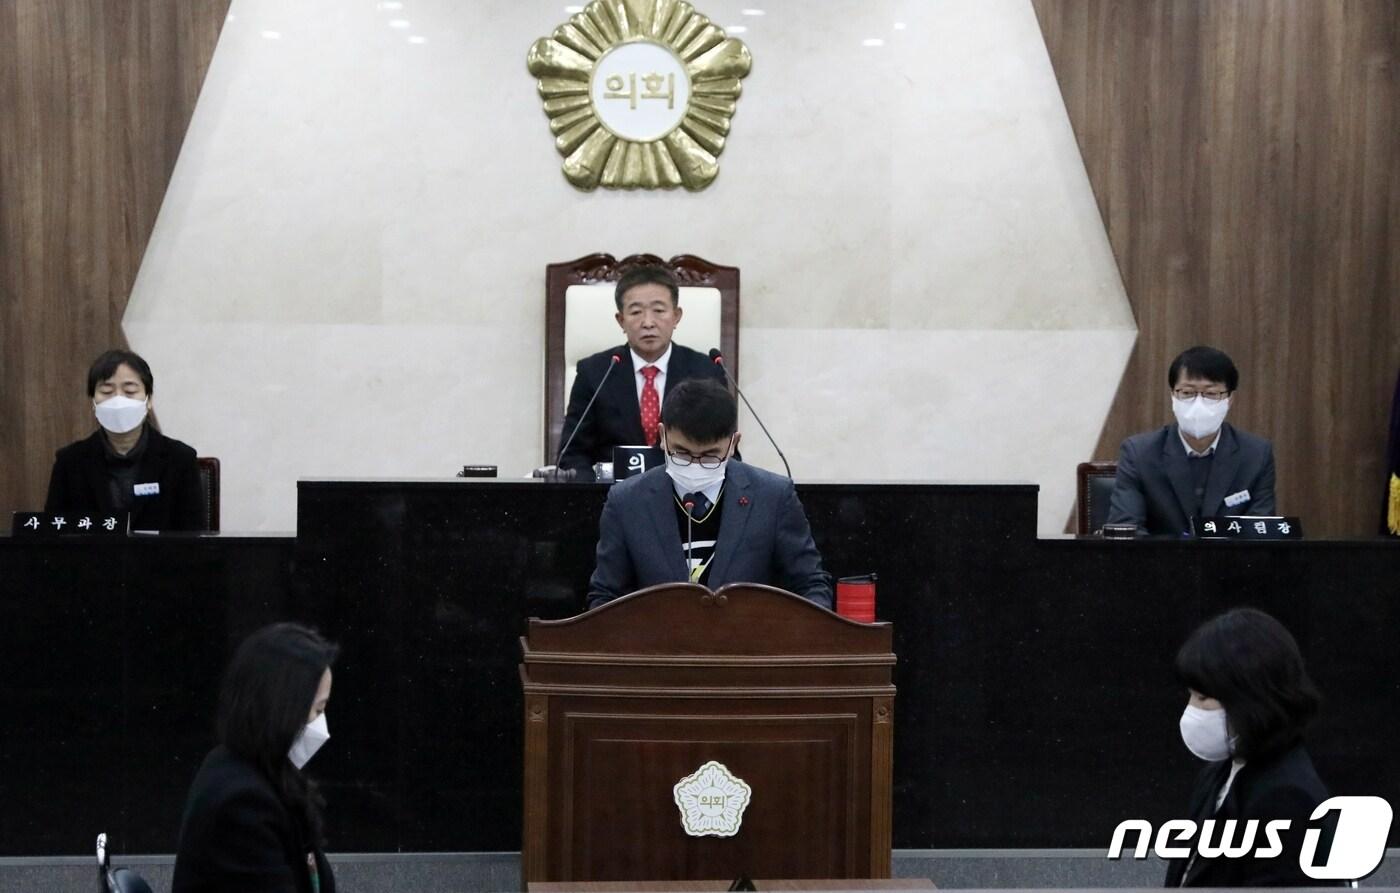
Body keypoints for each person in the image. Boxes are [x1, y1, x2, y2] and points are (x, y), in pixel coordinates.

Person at [587, 379, 832, 609]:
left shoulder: (773, 497)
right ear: (662, 436)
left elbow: (810, 585)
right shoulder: (627, 501)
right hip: (659, 649)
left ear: (734, 443)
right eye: (681, 453)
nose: (695, 465)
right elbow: (605, 596)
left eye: (710, 455)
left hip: (748, 647)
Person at [1165, 608, 1338, 887]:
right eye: (1191, 695)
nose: (1192, 711)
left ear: (1250, 700)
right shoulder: (1218, 774)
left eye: (1203, 698)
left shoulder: (1287, 797)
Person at [172, 623, 339, 893]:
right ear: (283, 710)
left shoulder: (251, 770)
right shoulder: (243, 804)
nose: (321, 725)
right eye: (317, 710)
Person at [557, 265, 727, 477]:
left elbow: (725, 452)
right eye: (636, 312)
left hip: (686, 497)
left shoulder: (706, 372)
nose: (648, 323)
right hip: (611, 500)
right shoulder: (594, 373)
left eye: (659, 310)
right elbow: (571, 456)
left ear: (676, 316)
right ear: (621, 320)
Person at [1106, 346, 1275, 535]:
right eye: (1187, 393)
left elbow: (1260, 532)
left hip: (1229, 563)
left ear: (1230, 399)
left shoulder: (1256, 454)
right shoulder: (1139, 453)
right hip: (1160, 562)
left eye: (1211, 394)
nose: (1198, 404)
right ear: (1173, 396)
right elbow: (1128, 529)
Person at [44, 348, 204, 531]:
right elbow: (54, 536)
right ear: (93, 402)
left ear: (149, 399)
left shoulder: (180, 459)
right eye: (106, 391)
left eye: (129, 391)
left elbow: (193, 540)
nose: (118, 400)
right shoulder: (70, 462)